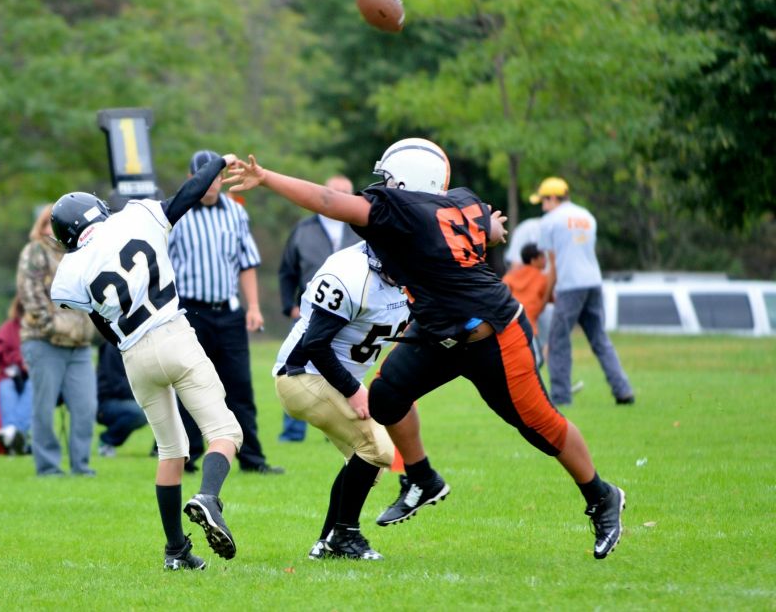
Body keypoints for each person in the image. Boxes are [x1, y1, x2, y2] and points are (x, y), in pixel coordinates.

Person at [226, 139, 626, 560]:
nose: (381, 187)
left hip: (492, 336)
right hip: (440, 334)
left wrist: (266, 178)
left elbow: (328, 200)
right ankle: (421, 478)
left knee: (539, 425)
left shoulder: (405, 212)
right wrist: (490, 231)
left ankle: (602, 496)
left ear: (406, 181)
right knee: (386, 396)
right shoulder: (459, 203)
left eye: (388, 179)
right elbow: (483, 228)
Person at [48, 152, 245, 570]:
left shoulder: (71, 271)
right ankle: (209, 496)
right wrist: (218, 163)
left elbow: (102, 322)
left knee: (170, 452)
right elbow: (187, 195)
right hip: (173, 333)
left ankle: (176, 551)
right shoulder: (136, 217)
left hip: (133, 354)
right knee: (225, 431)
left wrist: (127, 344)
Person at [274, 241, 408, 560]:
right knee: (377, 449)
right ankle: (345, 535)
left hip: (331, 378)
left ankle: (328, 541)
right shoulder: (351, 274)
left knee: (368, 464)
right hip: (302, 374)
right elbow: (315, 344)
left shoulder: (409, 277)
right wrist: (352, 389)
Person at [167, 150, 282, 475]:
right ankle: (187, 455)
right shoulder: (177, 215)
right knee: (190, 384)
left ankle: (252, 458)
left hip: (229, 312)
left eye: (217, 176)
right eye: (205, 177)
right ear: (192, 179)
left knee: (239, 386)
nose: (212, 183)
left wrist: (254, 307)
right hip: (191, 312)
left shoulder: (235, 212)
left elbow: (247, 263)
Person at [532, 177, 636, 406]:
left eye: (544, 201)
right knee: (599, 339)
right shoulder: (587, 216)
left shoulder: (550, 221)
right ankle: (623, 389)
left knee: (557, 341)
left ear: (553, 198)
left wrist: (546, 296)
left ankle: (560, 397)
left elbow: (553, 263)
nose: (543, 207)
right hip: (594, 282)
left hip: (570, 285)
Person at [276, 174, 362, 443]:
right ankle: (293, 433)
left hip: (347, 314)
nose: (341, 197)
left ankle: (336, 428)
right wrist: (289, 306)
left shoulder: (358, 228)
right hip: (309, 311)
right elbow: (287, 270)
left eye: (346, 192)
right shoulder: (304, 229)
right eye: (336, 192)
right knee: (296, 368)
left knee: (342, 368)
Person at [16, 205, 98, 477]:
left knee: (86, 407)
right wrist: (53, 327)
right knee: (44, 407)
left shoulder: (82, 251)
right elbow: (30, 295)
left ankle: (81, 465)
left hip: (80, 345)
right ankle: (48, 467)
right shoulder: (35, 251)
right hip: (43, 342)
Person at [0, 295, 32, 454]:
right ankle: (15, 436)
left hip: (38, 376)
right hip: (11, 376)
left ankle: (12, 435)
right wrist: (20, 363)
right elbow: (0, 354)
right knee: (6, 388)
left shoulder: (43, 330)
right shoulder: (8, 329)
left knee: (34, 386)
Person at [502, 243, 550, 367]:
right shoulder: (541, 277)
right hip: (529, 326)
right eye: (542, 257)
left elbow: (503, 292)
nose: (545, 260)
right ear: (534, 260)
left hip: (510, 325)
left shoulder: (511, 276)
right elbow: (552, 298)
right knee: (537, 361)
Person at [96, 341, 147, 458]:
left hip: (128, 398)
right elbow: (117, 384)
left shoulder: (138, 344)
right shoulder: (112, 346)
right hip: (105, 403)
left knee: (171, 402)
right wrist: (144, 393)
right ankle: (107, 440)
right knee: (140, 413)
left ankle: (161, 450)